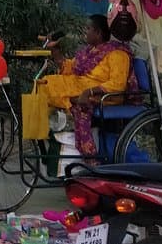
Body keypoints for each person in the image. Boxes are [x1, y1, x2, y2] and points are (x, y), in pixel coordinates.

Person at [38, 13, 136, 160]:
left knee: (49, 86)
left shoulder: (118, 54)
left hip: (103, 95)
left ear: (98, 33)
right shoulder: (88, 51)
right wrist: (55, 49)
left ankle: (74, 102)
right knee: (44, 83)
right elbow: (70, 68)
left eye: (88, 29)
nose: (85, 32)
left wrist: (89, 91)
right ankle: (48, 132)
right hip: (82, 87)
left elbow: (117, 85)